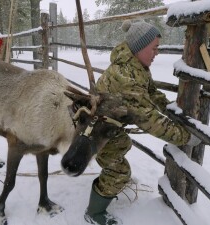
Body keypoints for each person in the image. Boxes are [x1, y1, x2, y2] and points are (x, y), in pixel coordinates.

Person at [84, 20, 201, 225]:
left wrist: (168, 108)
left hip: (107, 124)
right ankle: (94, 213)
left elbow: (151, 93)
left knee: (122, 145)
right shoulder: (126, 76)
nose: (157, 53)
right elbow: (148, 120)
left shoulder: (137, 66)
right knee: (120, 172)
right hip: (97, 130)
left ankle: (110, 174)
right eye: (154, 48)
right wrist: (185, 136)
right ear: (139, 46)